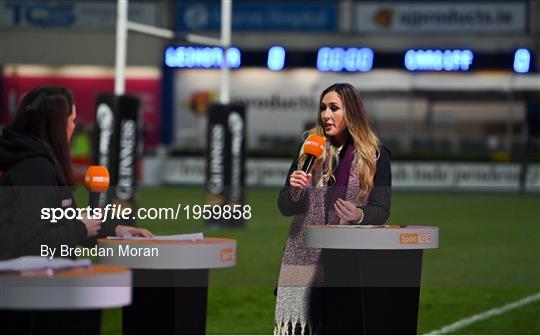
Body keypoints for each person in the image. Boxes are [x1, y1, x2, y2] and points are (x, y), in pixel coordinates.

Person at [274, 83, 391, 334]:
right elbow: (285, 206)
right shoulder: (308, 150)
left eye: (334, 108)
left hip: (349, 263)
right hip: (304, 261)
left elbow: (381, 209)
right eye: (323, 108)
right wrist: (296, 190)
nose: (326, 115)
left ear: (351, 112)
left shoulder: (376, 155)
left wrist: (359, 214)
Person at [0, 86, 152, 260]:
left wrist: (115, 230)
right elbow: (33, 240)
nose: (74, 127)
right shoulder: (34, 170)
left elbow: (61, 223)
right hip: (35, 282)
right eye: (72, 120)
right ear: (57, 126)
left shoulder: (38, 164)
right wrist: (81, 227)